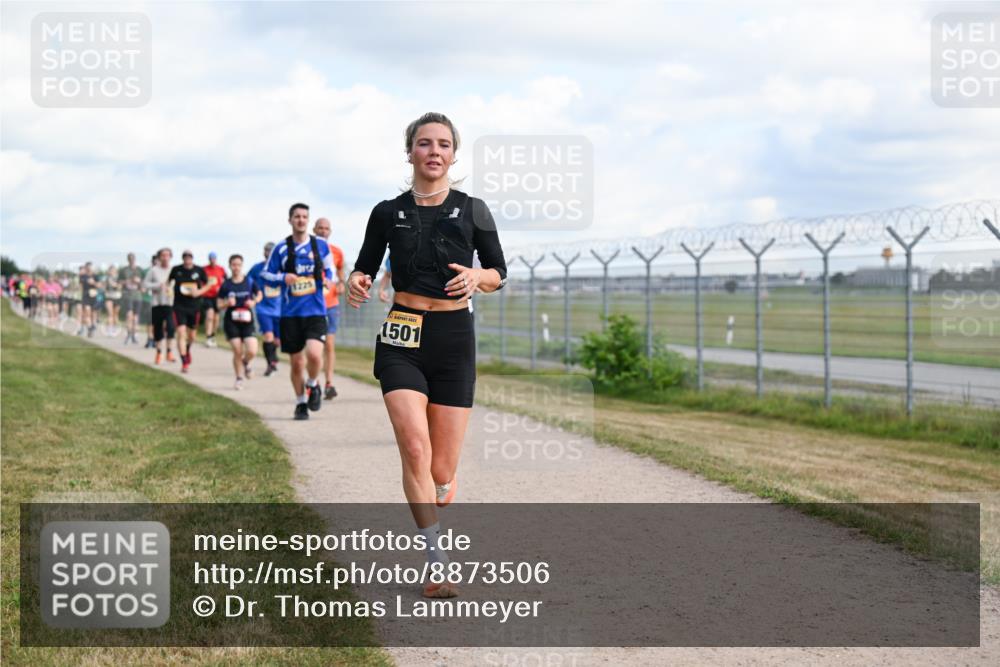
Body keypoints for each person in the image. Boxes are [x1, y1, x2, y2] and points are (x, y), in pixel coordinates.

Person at [348, 112, 507, 598]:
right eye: (424, 143)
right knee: (414, 447)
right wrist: (357, 281)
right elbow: (364, 268)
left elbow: (498, 270)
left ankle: (444, 482)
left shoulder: (474, 209)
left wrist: (479, 278)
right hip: (403, 333)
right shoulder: (385, 211)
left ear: (453, 154)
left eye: (442, 144)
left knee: (440, 468)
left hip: (454, 335)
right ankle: (436, 562)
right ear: (410, 152)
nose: (433, 151)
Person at [261, 203, 334, 420]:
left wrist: (328, 280)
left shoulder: (320, 245)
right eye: (297, 216)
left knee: (313, 354)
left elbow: (330, 271)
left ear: (308, 220)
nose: (301, 220)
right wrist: (284, 278)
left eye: (304, 216)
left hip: (315, 311)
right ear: (290, 220)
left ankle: (313, 384)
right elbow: (266, 275)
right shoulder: (281, 248)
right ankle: (301, 402)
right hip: (290, 314)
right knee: (297, 362)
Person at [313, 217, 346, 399]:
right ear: (314, 229)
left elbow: (340, 269)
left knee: (329, 345)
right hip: (312, 305)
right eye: (320, 228)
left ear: (330, 231)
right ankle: (314, 382)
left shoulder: (336, 251)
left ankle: (329, 383)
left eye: (326, 228)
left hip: (331, 304)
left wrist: (341, 282)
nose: (323, 231)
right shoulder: (308, 249)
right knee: (315, 346)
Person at [217, 254, 261, 390]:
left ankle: (245, 362)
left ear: (242, 266)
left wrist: (253, 302)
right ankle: (239, 378)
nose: (236, 267)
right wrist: (226, 303)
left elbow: (259, 294)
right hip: (232, 321)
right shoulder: (226, 284)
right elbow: (218, 304)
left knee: (252, 350)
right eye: (233, 264)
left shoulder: (249, 281)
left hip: (247, 320)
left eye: (238, 264)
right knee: (237, 350)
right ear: (230, 266)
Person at [169, 250, 211, 373]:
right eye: (185, 258)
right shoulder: (176, 270)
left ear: (192, 259)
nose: (187, 260)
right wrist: (168, 289)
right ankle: (184, 362)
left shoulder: (199, 270)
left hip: (194, 306)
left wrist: (199, 292)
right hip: (179, 306)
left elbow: (209, 284)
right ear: (183, 259)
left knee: (191, 335)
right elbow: (169, 283)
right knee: (181, 333)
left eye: (189, 258)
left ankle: (187, 349)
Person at [248, 242, 282, 376]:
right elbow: (247, 282)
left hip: (280, 309)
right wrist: (252, 296)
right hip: (263, 308)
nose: (269, 253)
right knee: (268, 336)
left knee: (277, 340)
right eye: (267, 251)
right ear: (264, 252)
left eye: (272, 251)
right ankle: (271, 364)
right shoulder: (257, 268)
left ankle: (274, 357)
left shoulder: (282, 268)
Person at [142, 248, 177, 364]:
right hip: (157, 303)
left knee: (171, 327)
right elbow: (145, 284)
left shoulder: (174, 270)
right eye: (163, 255)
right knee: (158, 329)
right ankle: (158, 352)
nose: (165, 257)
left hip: (170, 303)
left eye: (167, 255)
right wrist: (158, 285)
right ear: (159, 257)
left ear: (171, 257)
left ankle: (169, 351)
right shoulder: (153, 271)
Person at [201, 251, 227, 348]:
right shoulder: (204, 269)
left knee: (216, 318)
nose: (212, 260)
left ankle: (213, 335)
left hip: (218, 296)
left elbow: (226, 280)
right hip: (207, 296)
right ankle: (208, 337)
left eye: (214, 258)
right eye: (211, 258)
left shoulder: (221, 269)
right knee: (210, 316)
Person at [119, 253, 145, 344]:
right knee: (129, 315)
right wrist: (128, 281)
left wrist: (139, 282)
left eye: (133, 258)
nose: (132, 260)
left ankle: (134, 335)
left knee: (135, 317)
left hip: (137, 296)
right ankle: (128, 334)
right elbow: (119, 282)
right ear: (128, 260)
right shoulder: (124, 270)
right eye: (130, 258)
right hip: (127, 295)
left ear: (135, 259)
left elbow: (144, 283)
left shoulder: (140, 270)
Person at [78, 263, 98, 336]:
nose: (89, 269)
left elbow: (100, 285)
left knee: (93, 313)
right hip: (86, 296)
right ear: (86, 268)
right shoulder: (83, 276)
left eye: (90, 267)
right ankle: (89, 328)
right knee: (87, 312)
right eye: (88, 267)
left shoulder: (95, 276)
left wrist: (94, 283)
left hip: (93, 296)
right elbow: (80, 285)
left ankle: (93, 325)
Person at [104, 264, 122, 336]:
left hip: (117, 297)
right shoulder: (107, 278)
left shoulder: (119, 278)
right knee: (110, 313)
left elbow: (119, 286)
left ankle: (114, 328)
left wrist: (117, 285)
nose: (112, 271)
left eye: (113, 270)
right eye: (111, 270)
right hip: (109, 297)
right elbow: (107, 285)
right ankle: (109, 329)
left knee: (115, 314)